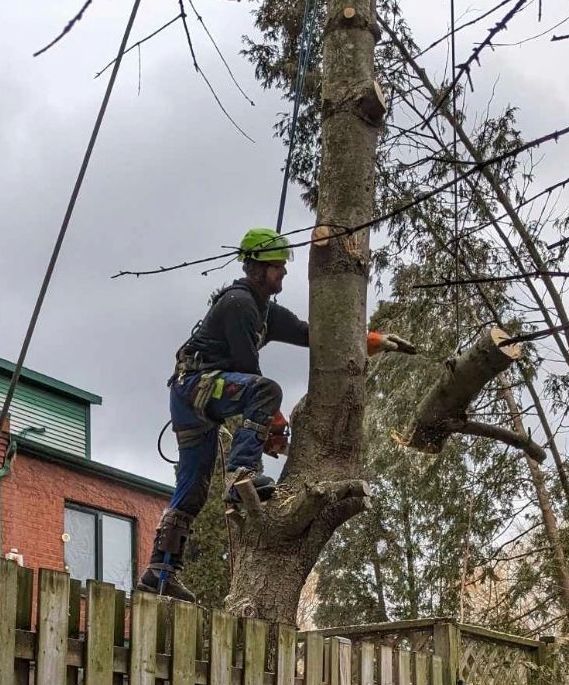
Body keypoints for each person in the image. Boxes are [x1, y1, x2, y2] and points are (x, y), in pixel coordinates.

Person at [138, 226, 415, 601]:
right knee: (267, 390)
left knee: (193, 486)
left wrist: (367, 340)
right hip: (197, 387)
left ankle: (160, 570)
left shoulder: (266, 310)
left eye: (283, 265)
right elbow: (248, 371)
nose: (283, 272)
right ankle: (241, 475)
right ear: (255, 268)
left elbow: (310, 333)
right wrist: (273, 419)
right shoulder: (238, 304)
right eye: (276, 266)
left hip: (197, 399)